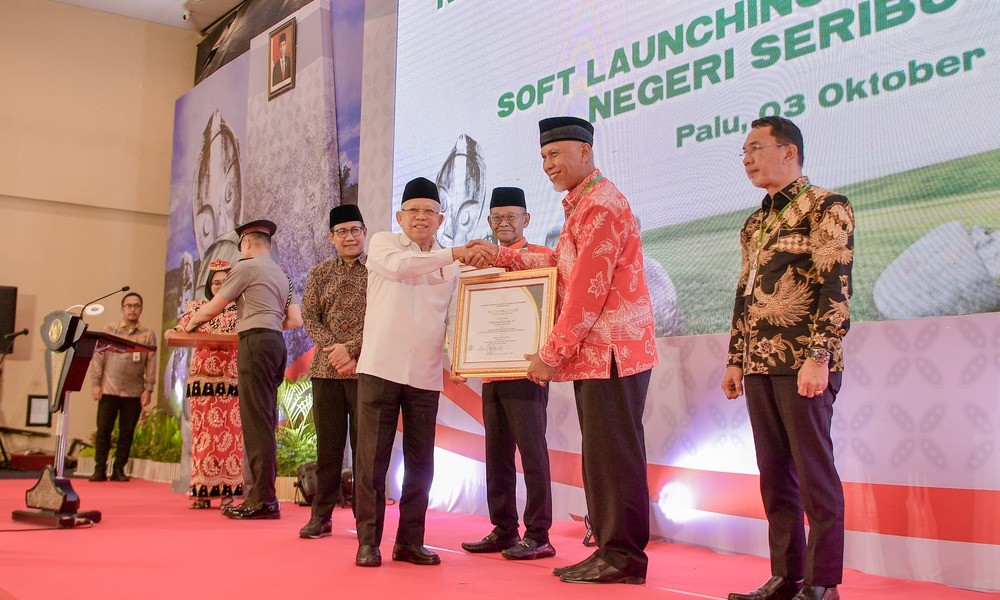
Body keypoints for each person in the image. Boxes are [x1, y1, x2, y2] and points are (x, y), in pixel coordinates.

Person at [467, 117, 658, 584]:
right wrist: (502, 255)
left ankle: (623, 556)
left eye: (555, 154)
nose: (548, 164)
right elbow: (562, 265)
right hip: (599, 356)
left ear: (584, 152)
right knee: (603, 458)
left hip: (613, 353)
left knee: (614, 458)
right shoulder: (583, 205)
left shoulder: (601, 206)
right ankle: (612, 550)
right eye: (543, 156)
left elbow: (587, 292)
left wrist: (549, 355)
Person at [721, 116, 854, 600]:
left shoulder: (826, 206)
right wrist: (735, 358)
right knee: (775, 476)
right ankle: (786, 576)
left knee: (814, 475)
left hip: (804, 363)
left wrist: (819, 355)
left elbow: (836, 286)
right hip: (758, 365)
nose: (747, 159)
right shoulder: (754, 223)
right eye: (744, 151)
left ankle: (822, 583)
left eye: (755, 148)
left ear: (788, 151)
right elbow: (745, 293)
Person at [352, 176, 486, 568]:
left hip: (425, 375)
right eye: (413, 210)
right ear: (400, 216)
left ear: (441, 219)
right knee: (372, 462)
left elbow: (453, 318)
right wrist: (453, 253)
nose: (421, 217)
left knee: (422, 464)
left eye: (429, 211)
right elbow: (401, 269)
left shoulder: (451, 266)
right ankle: (368, 542)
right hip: (380, 368)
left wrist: (459, 359)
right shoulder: (384, 244)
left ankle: (410, 542)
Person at [456, 187, 556, 561]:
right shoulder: (479, 265)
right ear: (489, 221)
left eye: (511, 216)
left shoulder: (542, 257)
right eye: (497, 217)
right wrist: (462, 357)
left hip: (528, 370)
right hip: (491, 371)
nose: (503, 223)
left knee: (532, 453)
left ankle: (539, 534)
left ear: (526, 219)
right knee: (496, 454)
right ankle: (503, 528)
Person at [183, 219, 303, 520]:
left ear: (246, 244)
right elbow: (295, 320)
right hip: (276, 344)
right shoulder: (283, 276)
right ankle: (266, 495)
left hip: (255, 344)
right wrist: (270, 323)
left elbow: (214, 306)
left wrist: (191, 323)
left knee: (255, 421)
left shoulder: (245, 268)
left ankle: (263, 499)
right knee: (265, 419)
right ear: (269, 246)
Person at [298, 204, 368, 539]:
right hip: (326, 372)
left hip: (365, 370)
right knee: (328, 448)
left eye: (355, 230)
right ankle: (321, 516)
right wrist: (336, 350)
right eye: (342, 232)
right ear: (331, 237)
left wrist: (351, 350)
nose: (349, 237)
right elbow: (310, 318)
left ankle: (365, 519)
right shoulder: (319, 273)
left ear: (364, 233)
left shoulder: (378, 272)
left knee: (365, 448)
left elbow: (382, 317)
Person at [169, 260, 243, 510]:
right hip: (203, 383)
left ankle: (228, 493)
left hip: (231, 382)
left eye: (225, 282)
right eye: (216, 283)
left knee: (231, 441)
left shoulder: (241, 311)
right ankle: (202, 492)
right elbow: (179, 330)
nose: (220, 286)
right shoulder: (198, 308)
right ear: (210, 286)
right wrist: (172, 332)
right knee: (204, 439)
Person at [89, 292, 157, 482]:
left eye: (136, 306)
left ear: (141, 309)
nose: (132, 309)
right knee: (103, 430)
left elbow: (151, 364)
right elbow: (98, 358)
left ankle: (119, 469)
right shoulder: (109, 330)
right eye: (129, 306)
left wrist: (148, 389)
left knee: (127, 433)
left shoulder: (147, 335)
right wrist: (96, 384)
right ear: (122, 308)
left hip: (134, 391)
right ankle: (99, 469)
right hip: (108, 389)